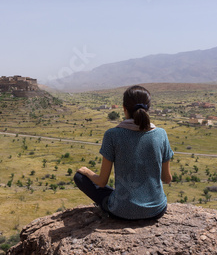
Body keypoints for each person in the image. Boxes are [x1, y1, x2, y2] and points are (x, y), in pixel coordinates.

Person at [74, 85, 173, 220]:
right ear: (148, 108)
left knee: (79, 178)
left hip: (122, 212)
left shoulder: (112, 134)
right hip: (156, 210)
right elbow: (167, 179)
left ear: (124, 108)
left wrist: (86, 171)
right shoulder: (161, 134)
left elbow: (102, 182)